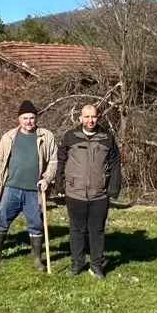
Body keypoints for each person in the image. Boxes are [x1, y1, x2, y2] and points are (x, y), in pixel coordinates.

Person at [0, 100, 58, 271]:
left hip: (34, 191)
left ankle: (37, 259)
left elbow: (54, 161)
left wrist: (47, 178)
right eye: (25, 118)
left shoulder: (46, 136)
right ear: (19, 119)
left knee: (36, 223)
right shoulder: (9, 137)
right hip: (11, 188)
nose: (29, 121)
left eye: (32, 118)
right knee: (1, 219)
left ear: (36, 118)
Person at [54, 104, 121, 279]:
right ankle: (77, 263)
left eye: (93, 117)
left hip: (100, 193)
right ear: (80, 118)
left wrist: (114, 187)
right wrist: (59, 184)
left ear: (98, 117)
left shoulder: (107, 138)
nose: (90, 120)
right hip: (75, 192)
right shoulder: (70, 137)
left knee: (97, 230)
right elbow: (61, 160)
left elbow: (115, 164)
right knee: (77, 229)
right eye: (87, 117)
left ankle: (96, 265)